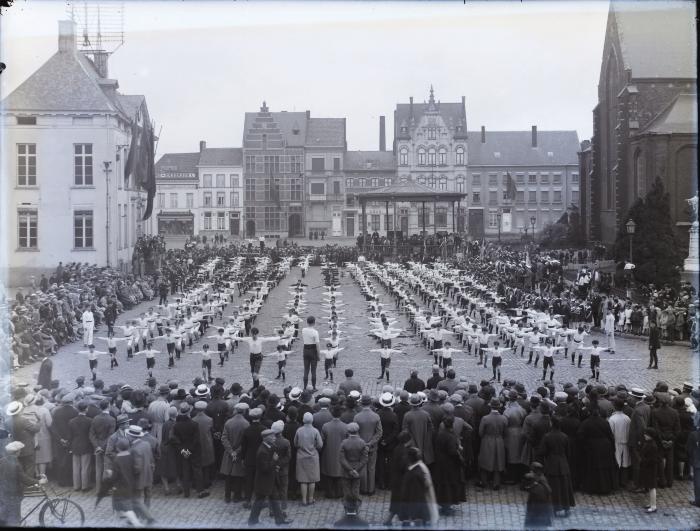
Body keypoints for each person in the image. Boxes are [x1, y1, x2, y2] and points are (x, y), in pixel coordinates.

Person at [247, 429, 293, 526]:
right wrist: (274, 460)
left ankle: (279, 520)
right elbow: (265, 468)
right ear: (265, 438)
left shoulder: (270, 446)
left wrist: (275, 463)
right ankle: (252, 521)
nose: (274, 438)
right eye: (272, 437)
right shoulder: (262, 451)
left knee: (275, 500)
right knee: (258, 502)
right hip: (264, 482)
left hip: (270, 480)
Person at [0, 441, 47, 527]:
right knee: (14, 518)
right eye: (20, 450)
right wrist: (38, 481)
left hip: (3, 492)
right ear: (17, 452)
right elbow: (24, 479)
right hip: (13, 494)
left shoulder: (3, 460)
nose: (21, 452)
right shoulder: (15, 463)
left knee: (5, 514)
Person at [539, 416, 575, 517]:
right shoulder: (565, 436)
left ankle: (554, 508)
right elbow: (569, 452)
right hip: (563, 464)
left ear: (552, 424)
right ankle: (566, 508)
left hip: (551, 464)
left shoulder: (547, 436)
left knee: (554, 487)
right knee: (564, 487)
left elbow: (542, 451)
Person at [399, 447, 439, 527]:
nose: (404, 458)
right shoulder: (420, 468)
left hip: (414, 511)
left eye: (406, 456)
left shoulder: (415, 474)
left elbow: (415, 495)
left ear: (410, 458)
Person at [339, 422, 369, 515]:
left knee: (346, 490)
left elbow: (342, 458)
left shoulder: (344, 443)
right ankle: (355, 508)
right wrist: (356, 470)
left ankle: (347, 508)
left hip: (346, 471)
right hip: (358, 471)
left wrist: (350, 470)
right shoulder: (362, 442)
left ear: (348, 431)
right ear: (357, 431)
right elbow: (364, 459)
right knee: (356, 490)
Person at [294, 411, 323, 506]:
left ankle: (303, 500)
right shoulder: (315, 431)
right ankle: (310, 499)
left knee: (303, 480)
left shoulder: (299, 430)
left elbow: (295, 443)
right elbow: (320, 445)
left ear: (303, 420)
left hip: (301, 457)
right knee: (312, 479)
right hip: (312, 456)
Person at [478, 397, 507, 490]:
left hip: (487, 440)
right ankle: (496, 483)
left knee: (484, 461)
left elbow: (480, 432)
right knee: (498, 462)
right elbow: (505, 432)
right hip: (499, 440)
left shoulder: (485, 418)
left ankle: (484, 481)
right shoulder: (503, 418)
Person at [68, 400, 93, 492]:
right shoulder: (90, 421)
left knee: (76, 467)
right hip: (86, 445)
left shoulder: (71, 421)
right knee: (85, 467)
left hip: (75, 445)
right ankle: (84, 486)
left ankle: (76, 486)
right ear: (86, 409)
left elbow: (70, 436)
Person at [523, 462, 554, 529]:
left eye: (532, 469)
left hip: (537, 502)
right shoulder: (540, 478)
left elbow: (525, 486)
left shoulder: (539, 479)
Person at [639, 427, 662, 513]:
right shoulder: (649, 443)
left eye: (646, 434)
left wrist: (644, 461)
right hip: (648, 468)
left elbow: (653, 459)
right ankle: (651, 503)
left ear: (650, 436)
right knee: (650, 487)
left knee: (652, 487)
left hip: (651, 469)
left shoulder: (652, 445)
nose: (644, 435)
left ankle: (653, 506)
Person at [301, 317, 321, 391]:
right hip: (313, 350)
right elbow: (317, 345)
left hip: (305, 349)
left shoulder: (303, 330)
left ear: (307, 322)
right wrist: (318, 355)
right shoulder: (315, 332)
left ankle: (305, 387)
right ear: (314, 322)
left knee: (306, 370)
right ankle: (314, 387)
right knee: (313, 370)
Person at [687, 423, 700, 507]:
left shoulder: (693, 434)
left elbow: (688, 448)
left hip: (697, 462)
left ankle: (698, 501)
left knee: (697, 483)